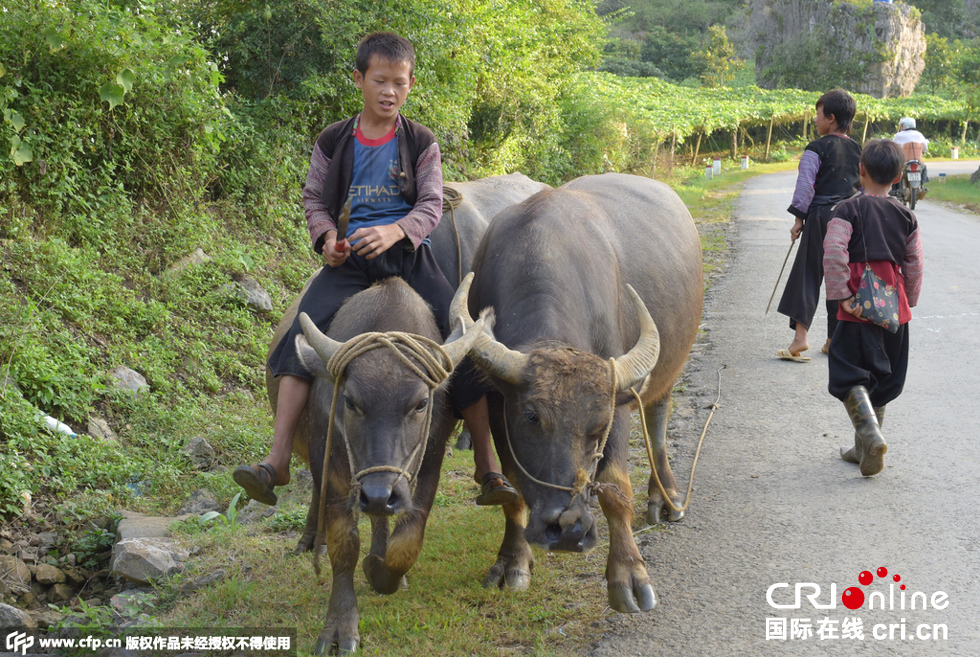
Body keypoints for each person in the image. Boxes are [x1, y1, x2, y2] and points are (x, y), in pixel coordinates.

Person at [233, 32, 517, 507]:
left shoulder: (421, 141)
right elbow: (313, 199)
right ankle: (276, 460)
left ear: (409, 85)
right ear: (359, 79)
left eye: (399, 83)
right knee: (293, 347)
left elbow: (430, 205)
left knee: (463, 343)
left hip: (408, 257)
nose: (390, 91)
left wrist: (396, 232)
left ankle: (487, 467)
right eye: (380, 81)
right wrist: (326, 239)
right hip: (350, 262)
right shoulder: (334, 139)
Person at [822, 139, 923, 477]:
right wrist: (907, 301)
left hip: (856, 308)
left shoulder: (846, 210)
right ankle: (863, 447)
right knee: (882, 376)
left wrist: (842, 296)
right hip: (894, 307)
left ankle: (869, 435)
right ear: (897, 178)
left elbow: (834, 251)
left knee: (849, 374)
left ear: (860, 171)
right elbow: (915, 264)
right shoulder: (907, 215)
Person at [776, 89, 863, 362]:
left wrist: (798, 219)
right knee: (841, 275)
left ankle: (800, 338)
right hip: (849, 218)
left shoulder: (816, 147)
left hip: (820, 217)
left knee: (808, 274)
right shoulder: (858, 149)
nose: (816, 119)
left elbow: (805, 185)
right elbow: (863, 187)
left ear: (831, 118)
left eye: (818, 113)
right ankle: (832, 339)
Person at [892, 116, 929, 190]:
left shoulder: (898, 135)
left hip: (903, 162)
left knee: (896, 170)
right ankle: (921, 185)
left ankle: (895, 188)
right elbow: (925, 147)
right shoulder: (919, 134)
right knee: (924, 168)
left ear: (903, 126)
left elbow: (893, 147)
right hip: (917, 162)